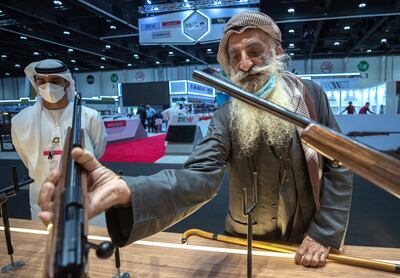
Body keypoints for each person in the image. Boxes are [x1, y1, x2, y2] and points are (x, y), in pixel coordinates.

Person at [38, 12, 353, 268]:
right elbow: (198, 178)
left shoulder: (312, 97)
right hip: (244, 240)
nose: (245, 63)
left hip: (309, 238)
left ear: (278, 52)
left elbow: (339, 164)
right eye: (235, 57)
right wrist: (127, 190)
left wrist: (324, 232)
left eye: (255, 51)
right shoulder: (226, 116)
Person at [11, 59, 107, 219]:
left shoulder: (89, 116)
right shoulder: (20, 121)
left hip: (85, 197)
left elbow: (97, 150)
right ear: (35, 83)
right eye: (41, 81)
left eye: (55, 80)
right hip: (43, 198)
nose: (48, 86)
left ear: (66, 82)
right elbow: (26, 158)